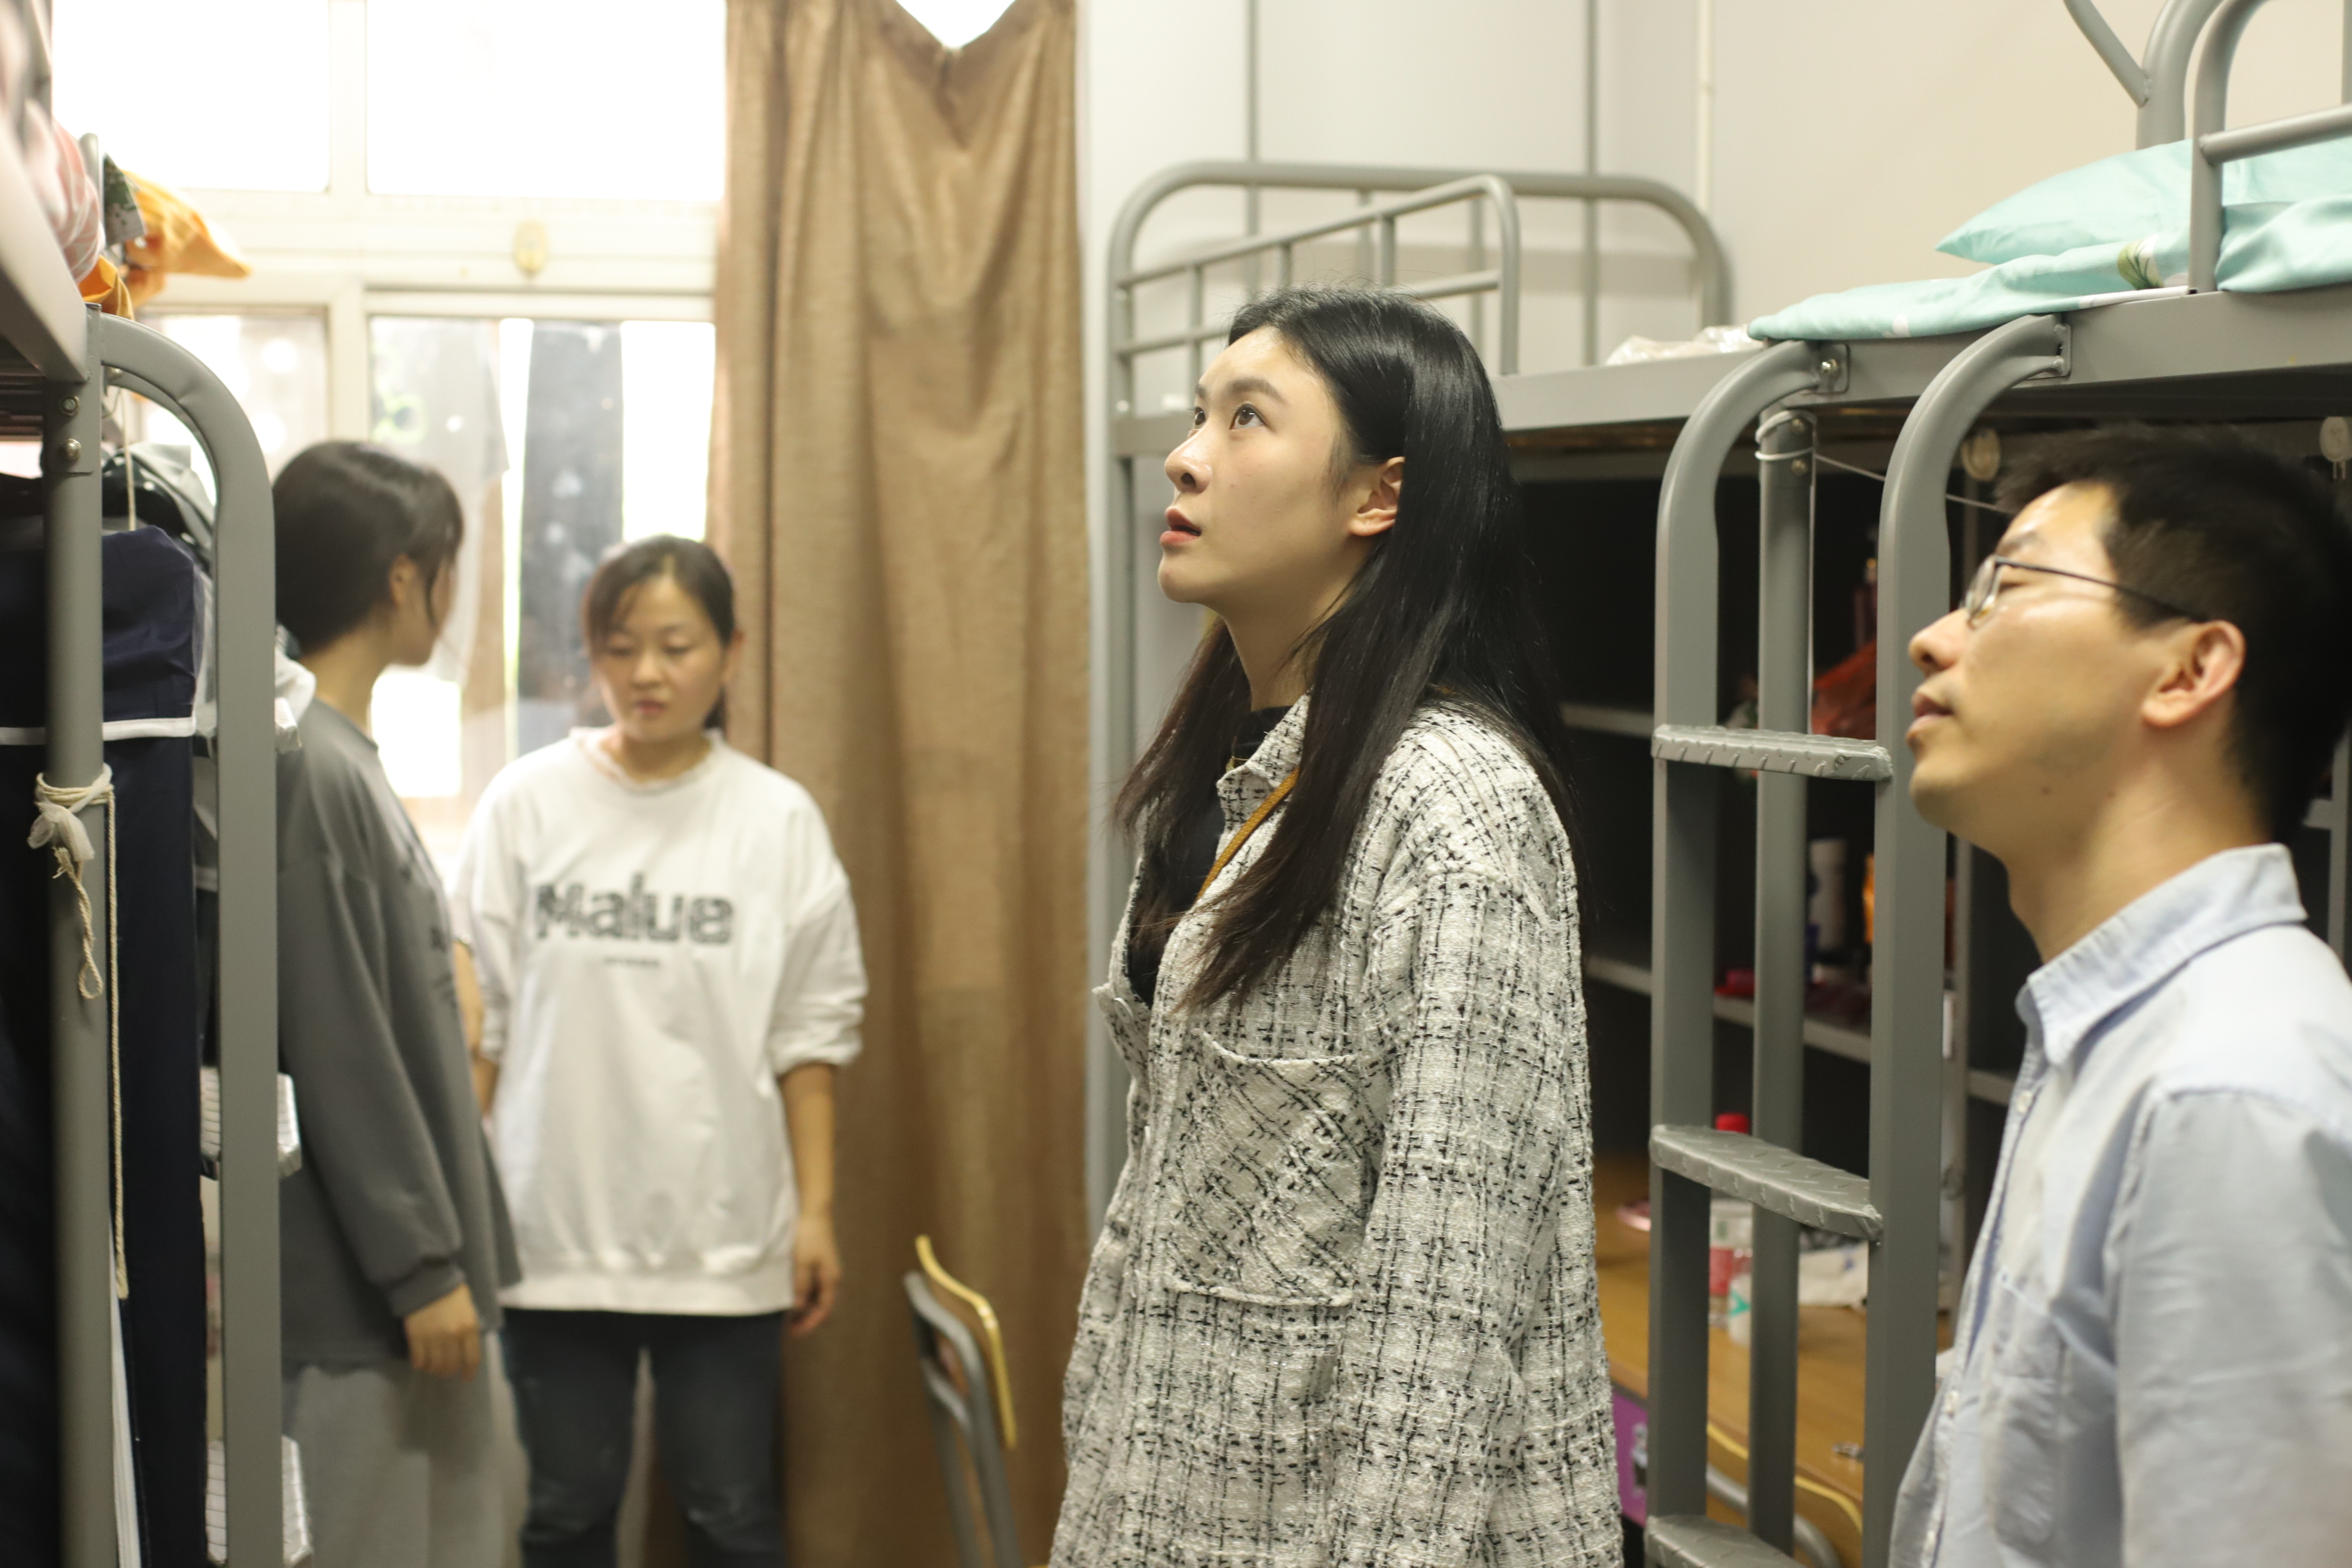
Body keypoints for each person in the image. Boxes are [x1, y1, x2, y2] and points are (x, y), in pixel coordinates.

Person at [1054, 286, 1620, 1567]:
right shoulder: (1230, 772)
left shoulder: (1453, 804)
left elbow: (1444, 1314)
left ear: (1379, 496)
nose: (1185, 456)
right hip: (1176, 1496)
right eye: (1198, 415)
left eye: (1246, 419)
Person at [1894, 426, 2352, 1566]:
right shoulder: (2111, 1033)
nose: (1932, 637)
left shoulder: (2231, 1088)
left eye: (2005, 589)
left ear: (2190, 670)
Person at [452, 536, 864, 1568]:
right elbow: (481, 1022)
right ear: (592, 654)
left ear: (730, 652)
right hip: (551, 1231)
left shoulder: (777, 820)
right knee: (565, 1517)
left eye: (676, 647)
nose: (646, 673)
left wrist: (814, 1213)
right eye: (620, 646)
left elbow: (810, 1037)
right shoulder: (525, 803)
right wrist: (460, 1207)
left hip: (723, 1235)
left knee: (730, 1517)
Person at [273, 441, 520, 1568]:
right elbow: (337, 1040)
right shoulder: (310, 767)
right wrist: (422, 1268)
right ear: (403, 576)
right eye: (448, 569)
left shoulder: (340, 758)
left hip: (396, 1284)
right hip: (363, 1302)